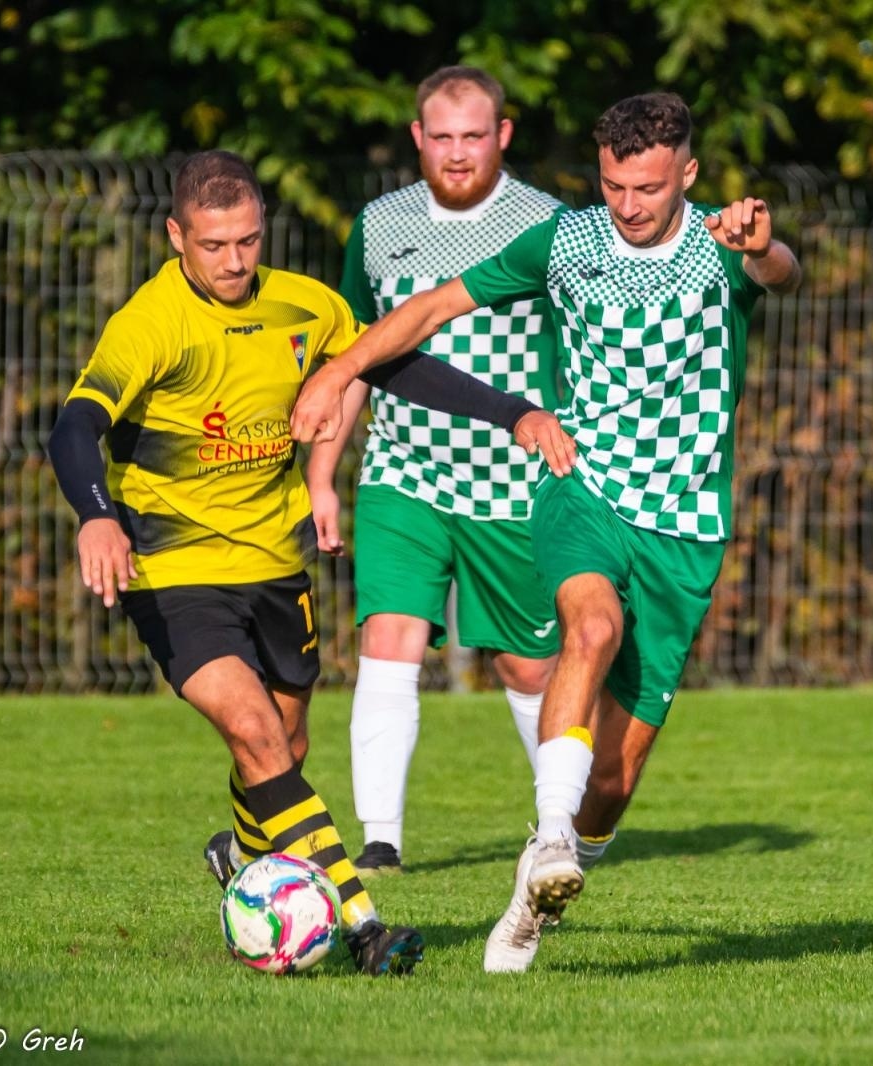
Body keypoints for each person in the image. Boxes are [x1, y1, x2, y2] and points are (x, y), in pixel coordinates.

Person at [290, 91, 802, 973]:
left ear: (687, 174)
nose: (628, 206)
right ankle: (550, 831)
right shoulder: (565, 240)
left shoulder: (724, 247)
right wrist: (340, 370)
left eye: (646, 188)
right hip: (583, 489)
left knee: (616, 777)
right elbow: (433, 309)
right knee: (590, 626)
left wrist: (765, 245)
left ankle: (545, 875)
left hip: (683, 524)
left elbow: (780, 271)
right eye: (612, 186)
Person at [46, 150, 571, 976]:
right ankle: (361, 923)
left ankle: (244, 858)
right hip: (173, 566)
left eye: (248, 242)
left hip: (273, 562)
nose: (233, 262)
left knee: (283, 751)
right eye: (213, 245)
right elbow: (75, 425)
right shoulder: (150, 322)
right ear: (176, 235)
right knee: (254, 733)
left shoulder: (303, 305)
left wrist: (511, 412)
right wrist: (96, 518)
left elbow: (392, 364)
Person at [305, 66, 564, 878]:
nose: (457, 154)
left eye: (473, 136)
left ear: (503, 137)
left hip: (514, 482)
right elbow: (355, 359)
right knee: (389, 642)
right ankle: (380, 839)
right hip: (402, 473)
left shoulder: (548, 224)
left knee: (527, 666)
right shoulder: (378, 226)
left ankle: (563, 818)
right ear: (418, 138)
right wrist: (323, 476)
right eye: (441, 137)